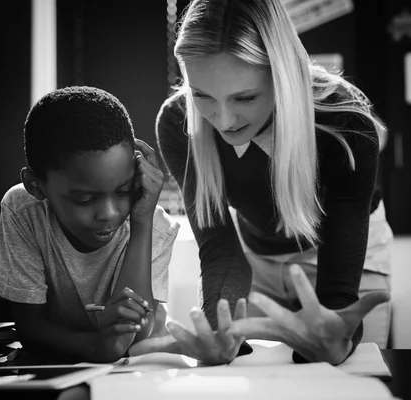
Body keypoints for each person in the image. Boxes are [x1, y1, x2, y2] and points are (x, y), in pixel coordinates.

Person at [129, 0, 393, 366]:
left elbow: (339, 280)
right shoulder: (177, 123)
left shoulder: (344, 122)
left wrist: (336, 332)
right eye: (202, 96)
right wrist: (216, 329)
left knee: (340, 370)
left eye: (245, 97)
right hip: (257, 259)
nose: (223, 119)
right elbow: (218, 242)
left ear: (281, 75)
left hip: (348, 254)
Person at [0, 86, 180, 363]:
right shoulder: (23, 210)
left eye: (123, 191)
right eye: (85, 199)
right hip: (62, 363)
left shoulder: (154, 223)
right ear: (36, 185)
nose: (109, 213)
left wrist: (142, 221)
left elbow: (136, 337)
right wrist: (99, 347)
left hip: (141, 366)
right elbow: (30, 327)